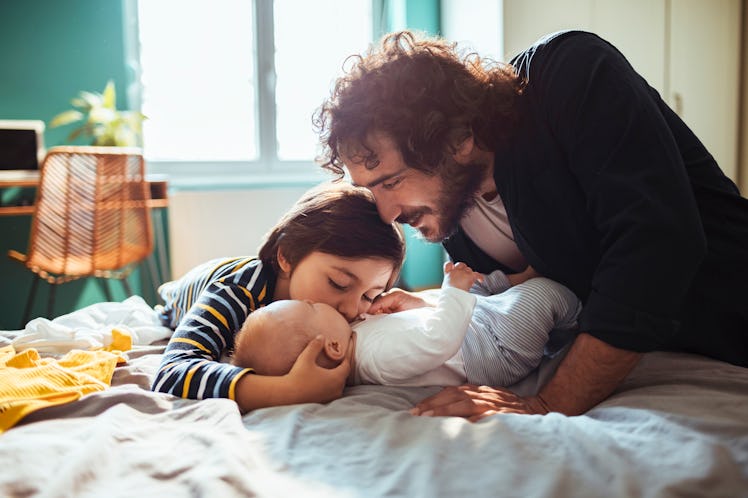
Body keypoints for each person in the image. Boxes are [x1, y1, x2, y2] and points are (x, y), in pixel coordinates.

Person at [313, 29, 748, 419]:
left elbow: (657, 244)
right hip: (663, 347)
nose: (385, 213)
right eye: (373, 190)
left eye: (391, 181)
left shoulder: (569, 77)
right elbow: (517, 297)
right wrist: (428, 310)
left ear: (458, 139)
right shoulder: (456, 211)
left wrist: (548, 403)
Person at [151, 182, 405, 412]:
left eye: (370, 295)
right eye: (338, 284)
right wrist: (286, 390)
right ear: (287, 257)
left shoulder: (346, 308)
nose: (351, 309)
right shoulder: (237, 292)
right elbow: (171, 372)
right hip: (180, 295)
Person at [231, 261, 581, 394]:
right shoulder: (377, 358)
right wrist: (451, 292)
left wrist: (416, 304)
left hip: (476, 329)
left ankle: (509, 285)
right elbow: (438, 340)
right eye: (310, 308)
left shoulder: (357, 337)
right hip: (494, 347)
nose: (319, 302)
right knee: (541, 295)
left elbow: (420, 327)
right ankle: (580, 318)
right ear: (333, 348)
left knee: (478, 289)